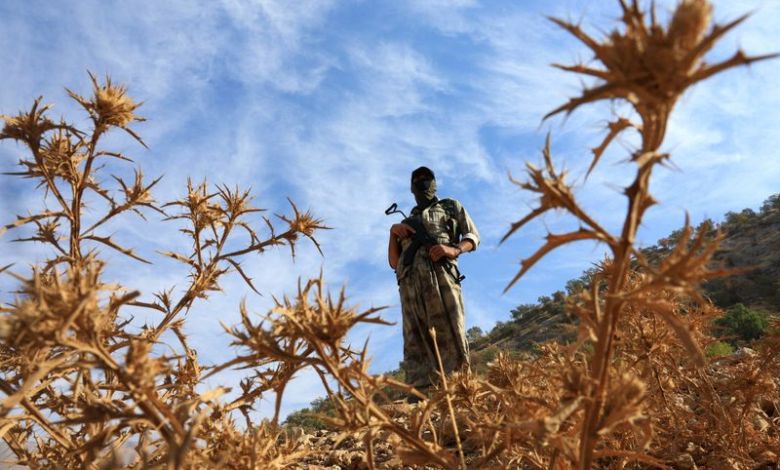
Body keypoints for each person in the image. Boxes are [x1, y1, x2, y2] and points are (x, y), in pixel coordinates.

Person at [388, 166, 480, 392]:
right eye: (417, 179)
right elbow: (393, 262)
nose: (422, 182)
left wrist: (454, 250)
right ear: (411, 187)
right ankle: (420, 393)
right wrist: (392, 232)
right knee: (414, 337)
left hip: (441, 276)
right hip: (410, 283)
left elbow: (472, 236)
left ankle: (458, 387)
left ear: (434, 182)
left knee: (450, 328)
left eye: (426, 178)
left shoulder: (450, 206)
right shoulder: (407, 220)